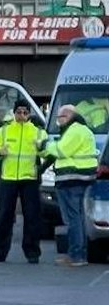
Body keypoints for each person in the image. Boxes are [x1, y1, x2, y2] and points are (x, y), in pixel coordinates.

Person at [0, 100, 44, 263]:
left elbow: (47, 152)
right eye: (18, 112)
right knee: (4, 217)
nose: (21, 115)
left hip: (29, 179)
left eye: (25, 112)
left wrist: (41, 148)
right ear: (14, 113)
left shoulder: (38, 133)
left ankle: (32, 252)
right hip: (9, 178)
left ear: (29, 114)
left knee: (32, 217)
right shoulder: (4, 131)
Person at [44, 104, 98, 267]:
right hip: (82, 178)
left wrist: (45, 145)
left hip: (71, 179)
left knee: (72, 219)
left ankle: (76, 256)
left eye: (59, 118)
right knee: (79, 218)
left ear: (67, 116)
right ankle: (79, 254)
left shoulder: (74, 130)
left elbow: (61, 150)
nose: (58, 121)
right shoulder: (84, 130)